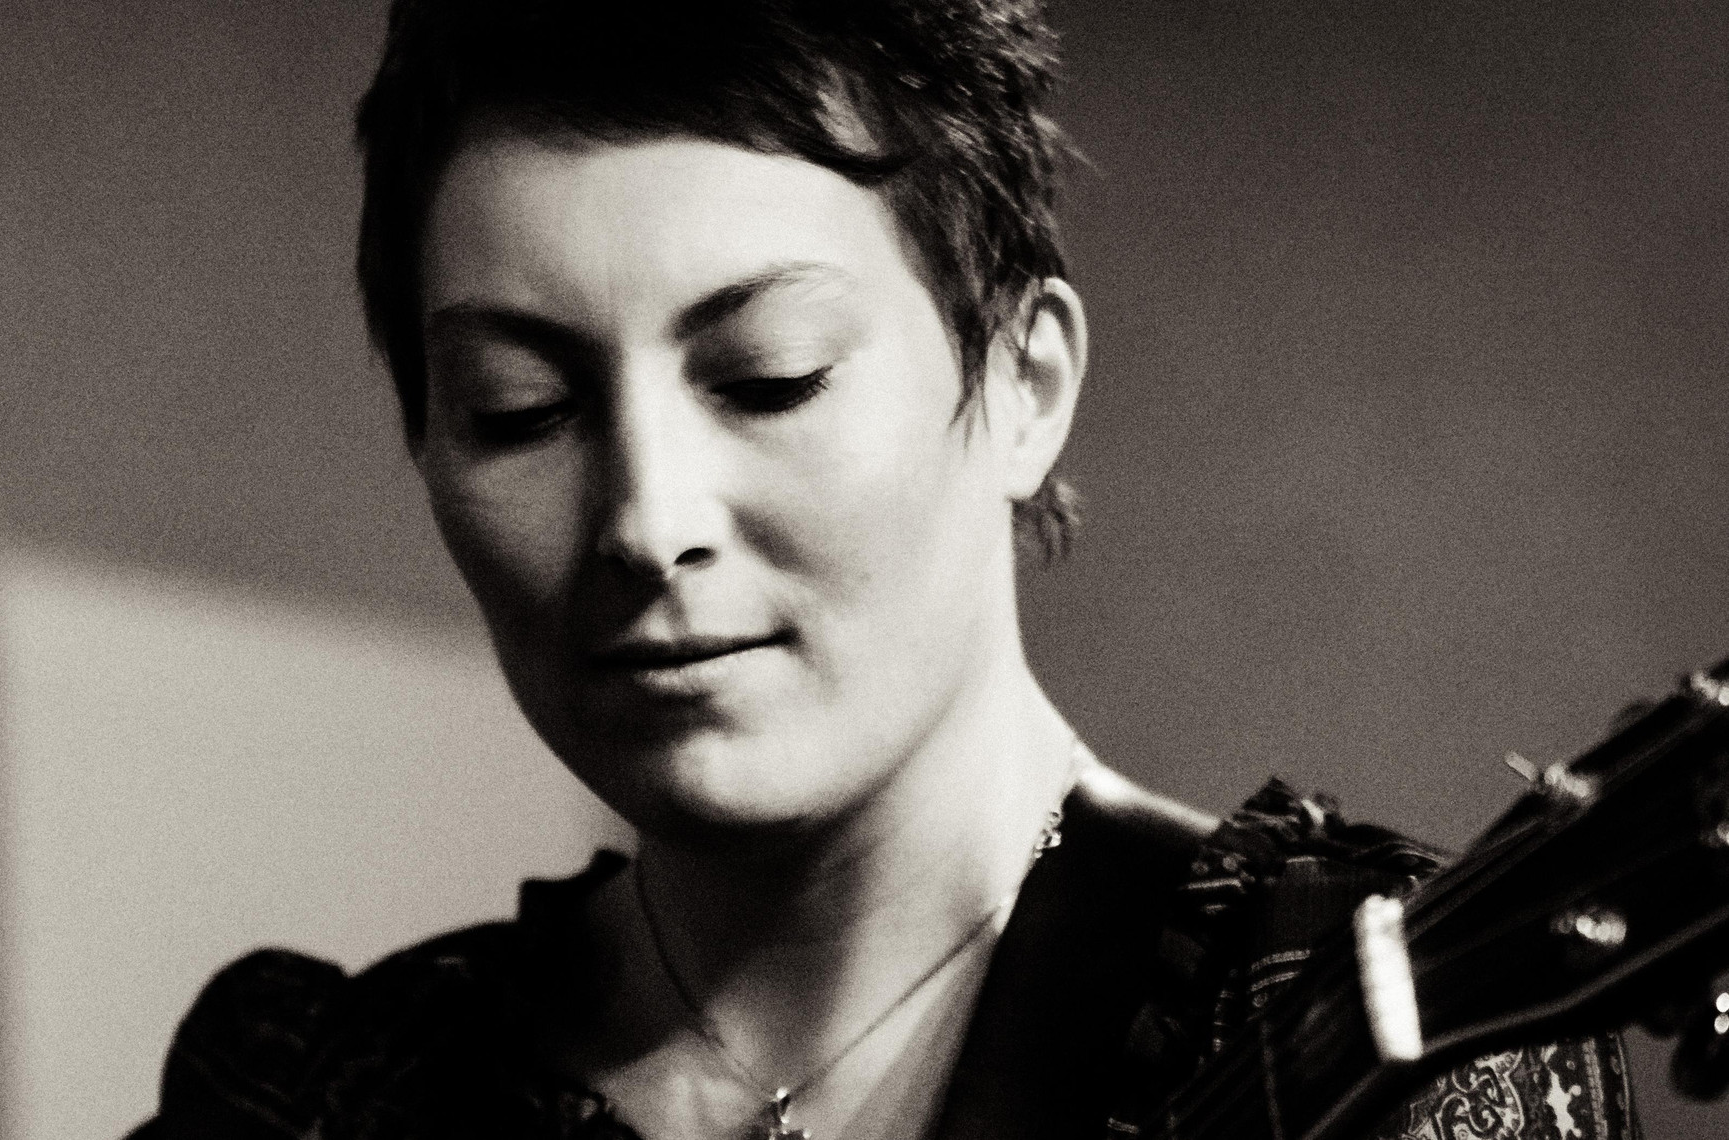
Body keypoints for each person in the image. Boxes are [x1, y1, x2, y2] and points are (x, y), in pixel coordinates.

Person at [133, 2, 1635, 1137]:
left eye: (769, 378)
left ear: (1026, 383)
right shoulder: (319, 1096)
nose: (646, 520)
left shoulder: (1361, 1017)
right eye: (519, 410)